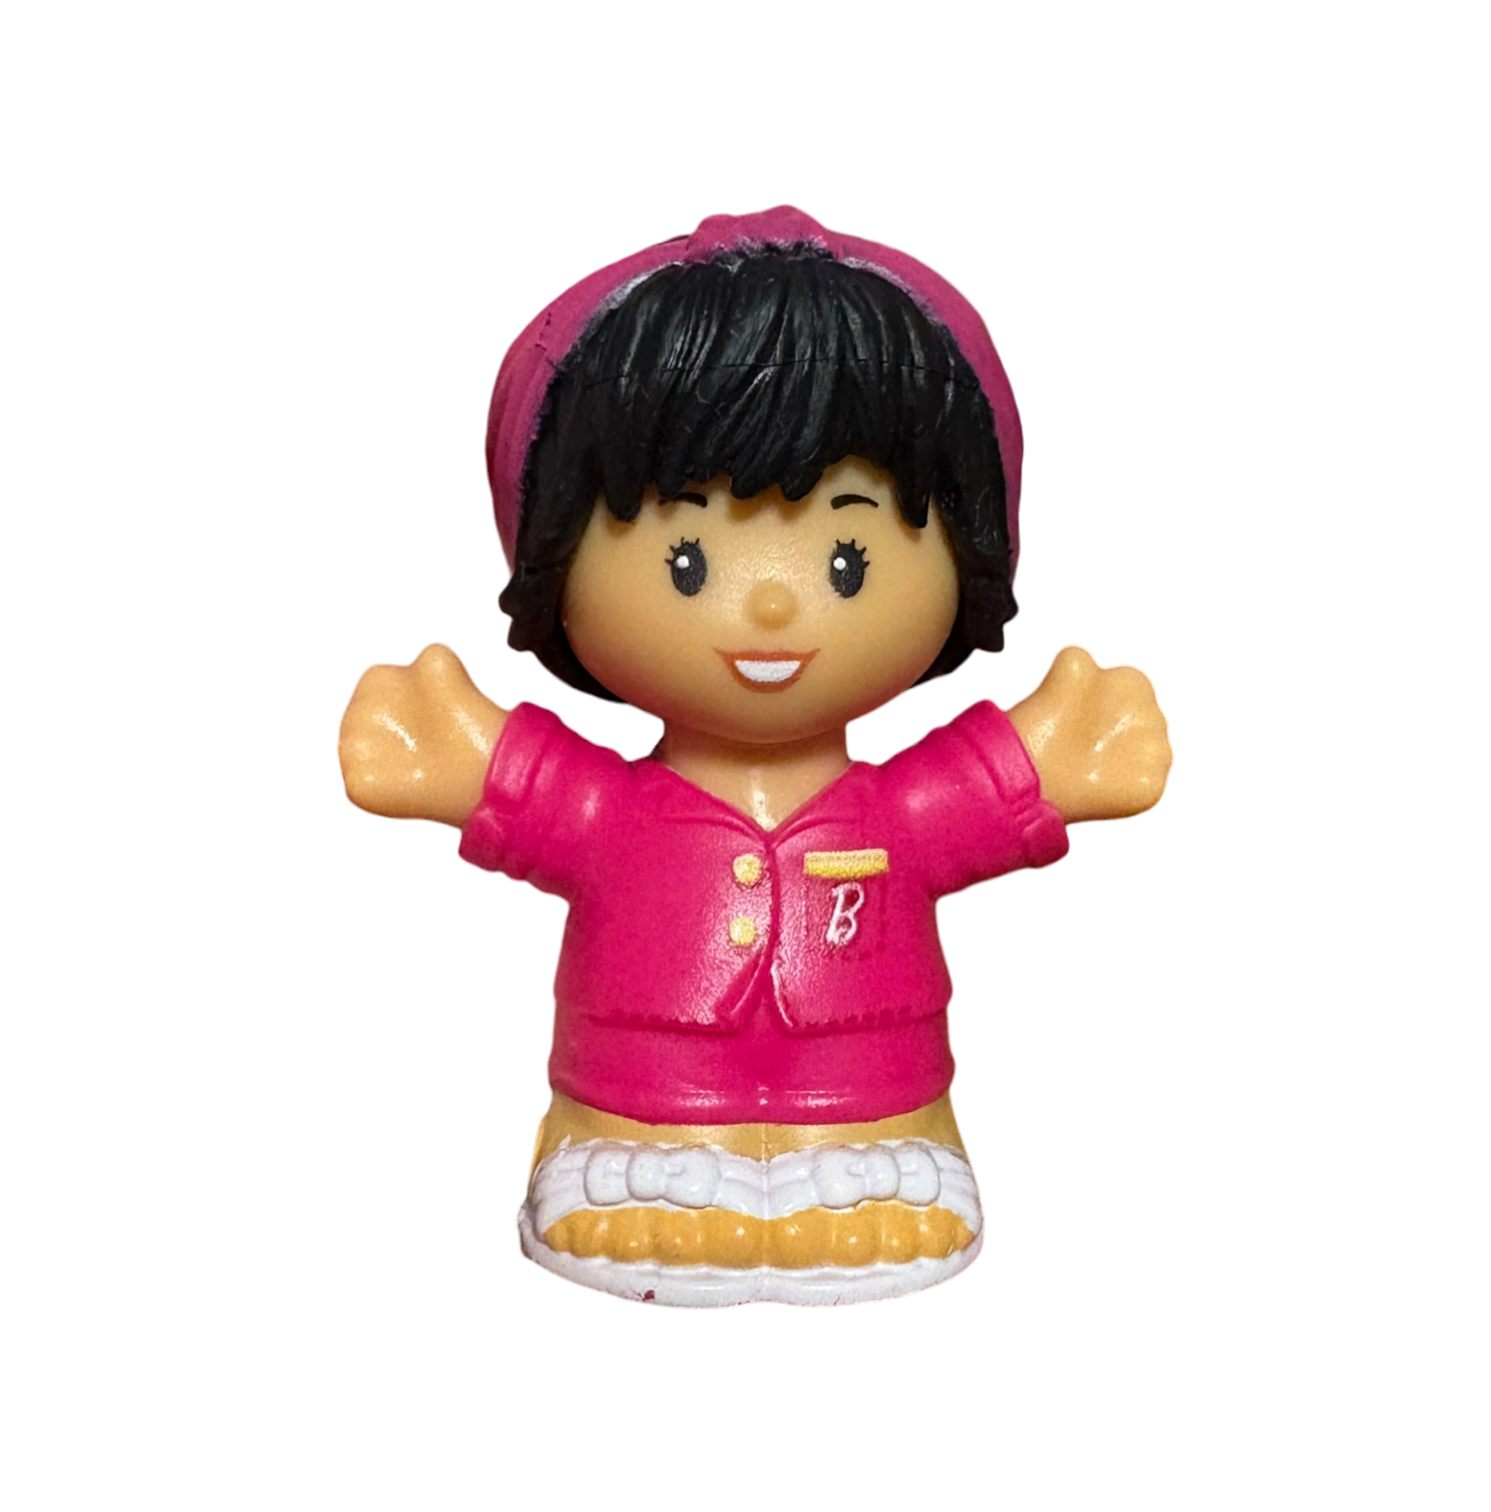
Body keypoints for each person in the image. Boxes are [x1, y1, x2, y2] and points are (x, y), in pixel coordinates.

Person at [336, 205, 1174, 1307]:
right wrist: (464, 760)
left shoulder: (890, 808)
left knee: (883, 1182)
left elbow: (966, 802)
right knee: (635, 1183)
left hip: (873, 1090)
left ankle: (868, 1174)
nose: (771, 605)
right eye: (687, 560)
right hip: (641, 1091)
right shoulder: (621, 809)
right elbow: (550, 802)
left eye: (845, 557)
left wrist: (1049, 762)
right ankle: (642, 1172)